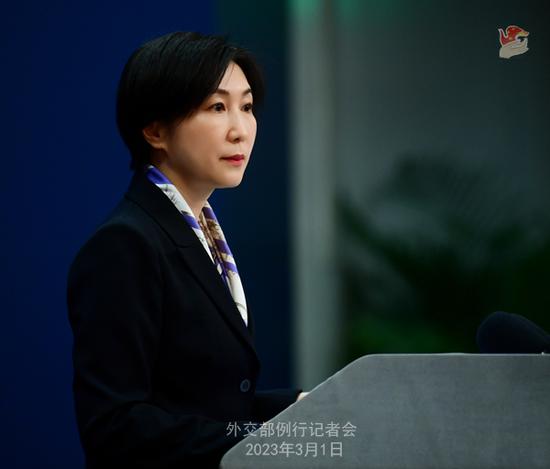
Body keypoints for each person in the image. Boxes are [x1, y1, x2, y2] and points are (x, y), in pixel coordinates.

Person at [67, 31, 307, 469]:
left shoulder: (201, 233)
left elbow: (208, 403)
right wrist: (270, 440)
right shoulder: (125, 244)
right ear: (156, 130)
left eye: (247, 106)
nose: (240, 130)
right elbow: (114, 426)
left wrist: (305, 407)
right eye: (217, 107)